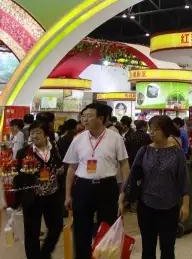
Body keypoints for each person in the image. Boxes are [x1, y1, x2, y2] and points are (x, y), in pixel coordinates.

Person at [63, 103, 129, 259]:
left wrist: (124, 193)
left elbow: (124, 165)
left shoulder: (115, 138)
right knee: (81, 229)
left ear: (101, 118)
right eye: (83, 116)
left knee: (107, 229)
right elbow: (71, 168)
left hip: (107, 187)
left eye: (89, 116)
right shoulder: (78, 139)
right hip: (83, 187)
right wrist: (67, 195)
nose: (84, 120)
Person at [120, 115, 188, 259]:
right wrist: (122, 198)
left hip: (169, 206)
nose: (151, 132)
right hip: (146, 206)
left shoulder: (177, 153)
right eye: (150, 129)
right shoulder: (144, 151)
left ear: (166, 130)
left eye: (156, 129)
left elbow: (183, 180)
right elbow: (132, 176)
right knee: (148, 247)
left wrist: (186, 205)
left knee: (167, 247)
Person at [14, 121, 64, 259]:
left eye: (38, 132)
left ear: (46, 134)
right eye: (32, 133)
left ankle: (44, 253)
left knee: (56, 227)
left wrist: (60, 170)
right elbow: (18, 176)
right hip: (32, 197)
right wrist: (17, 199)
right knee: (32, 232)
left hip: (53, 195)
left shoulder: (55, 148)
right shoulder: (23, 152)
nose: (35, 135)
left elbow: (62, 165)